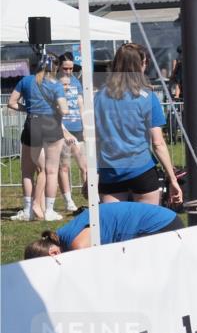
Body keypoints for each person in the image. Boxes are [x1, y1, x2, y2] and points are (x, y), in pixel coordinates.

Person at [94, 44, 183, 206]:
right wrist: (172, 178)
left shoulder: (99, 97)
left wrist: (91, 174)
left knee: (115, 227)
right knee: (148, 226)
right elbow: (158, 142)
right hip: (141, 169)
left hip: (110, 172)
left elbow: (96, 139)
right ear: (139, 65)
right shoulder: (147, 97)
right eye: (145, 62)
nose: (146, 66)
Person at [7, 54, 72, 221]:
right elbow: (64, 110)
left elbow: (11, 102)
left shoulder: (26, 81)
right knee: (51, 171)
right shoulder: (56, 85)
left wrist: (27, 109)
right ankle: (49, 210)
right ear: (54, 68)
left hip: (32, 124)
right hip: (51, 126)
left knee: (27, 171)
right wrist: (57, 106)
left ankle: (28, 209)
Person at [23, 202, 184, 258]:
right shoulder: (63, 235)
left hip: (161, 227)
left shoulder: (77, 245)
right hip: (163, 220)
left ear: (53, 253)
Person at [56, 54, 87, 212]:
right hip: (62, 128)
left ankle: (91, 198)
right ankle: (68, 201)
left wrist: (86, 125)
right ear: (59, 67)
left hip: (78, 127)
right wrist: (63, 130)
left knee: (84, 166)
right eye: (65, 68)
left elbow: (81, 104)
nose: (68, 71)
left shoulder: (76, 82)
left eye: (71, 68)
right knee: (64, 167)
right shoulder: (54, 82)